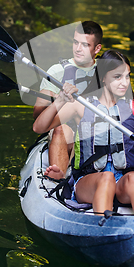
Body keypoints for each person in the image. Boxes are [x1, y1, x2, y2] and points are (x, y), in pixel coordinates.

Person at [33, 50, 134, 216]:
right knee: (106, 178)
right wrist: (60, 100)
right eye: (117, 77)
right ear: (102, 77)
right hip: (90, 181)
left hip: (124, 181)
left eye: (127, 76)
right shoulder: (82, 105)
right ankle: (101, 227)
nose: (124, 83)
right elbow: (39, 127)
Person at [33, 21, 103, 178]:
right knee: (61, 129)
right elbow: (38, 115)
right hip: (66, 129)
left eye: (85, 45)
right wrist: (57, 100)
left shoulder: (106, 71)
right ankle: (59, 177)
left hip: (96, 128)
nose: (78, 49)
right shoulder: (57, 71)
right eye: (75, 42)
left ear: (97, 49)